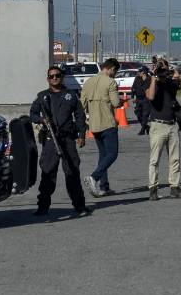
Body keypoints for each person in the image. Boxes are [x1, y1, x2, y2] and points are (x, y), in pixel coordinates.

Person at [28, 66, 90, 216]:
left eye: (57, 75)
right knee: (48, 173)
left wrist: (82, 135)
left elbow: (80, 116)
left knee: (72, 172)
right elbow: (33, 114)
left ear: (61, 77)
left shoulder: (71, 95)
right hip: (50, 140)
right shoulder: (42, 96)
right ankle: (43, 206)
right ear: (48, 79)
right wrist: (42, 120)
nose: (54, 78)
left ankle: (80, 206)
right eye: (51, 76)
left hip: (67, 139)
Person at [145, 57, 181, 200]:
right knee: (154, 160)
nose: (162, 70)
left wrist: (178, 75)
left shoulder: (171, 82)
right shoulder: (151, 81)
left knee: (175, 159)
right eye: (160, 68)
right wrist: (154, 78)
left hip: (172, 125)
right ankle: (153, 189)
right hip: (157, 125)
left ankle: (175, 187)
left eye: (164, 68)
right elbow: (150, 96)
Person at [81, 57, 122, 197]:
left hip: (94, 125)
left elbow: (82, 105)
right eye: (115, 72)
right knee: (112, 154)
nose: (114, 75)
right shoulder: (111, 82)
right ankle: (94, 177)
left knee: (103, 155)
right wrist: (122, 101)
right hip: (108, 123)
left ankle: (104, 187)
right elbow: (115, 103)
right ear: (111, 69)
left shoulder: (88, 82)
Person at [132, 66, 152, 135]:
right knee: (138, 113)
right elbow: (133, 87)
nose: (138, 72)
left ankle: (143, 129)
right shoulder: (137, 78)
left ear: (144, 73)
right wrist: (133, 96)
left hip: (146, 99)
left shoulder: (149, 79)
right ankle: (146, 127)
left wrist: (145, 80)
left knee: (145, 115)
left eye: (140, 71)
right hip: (138, 99)